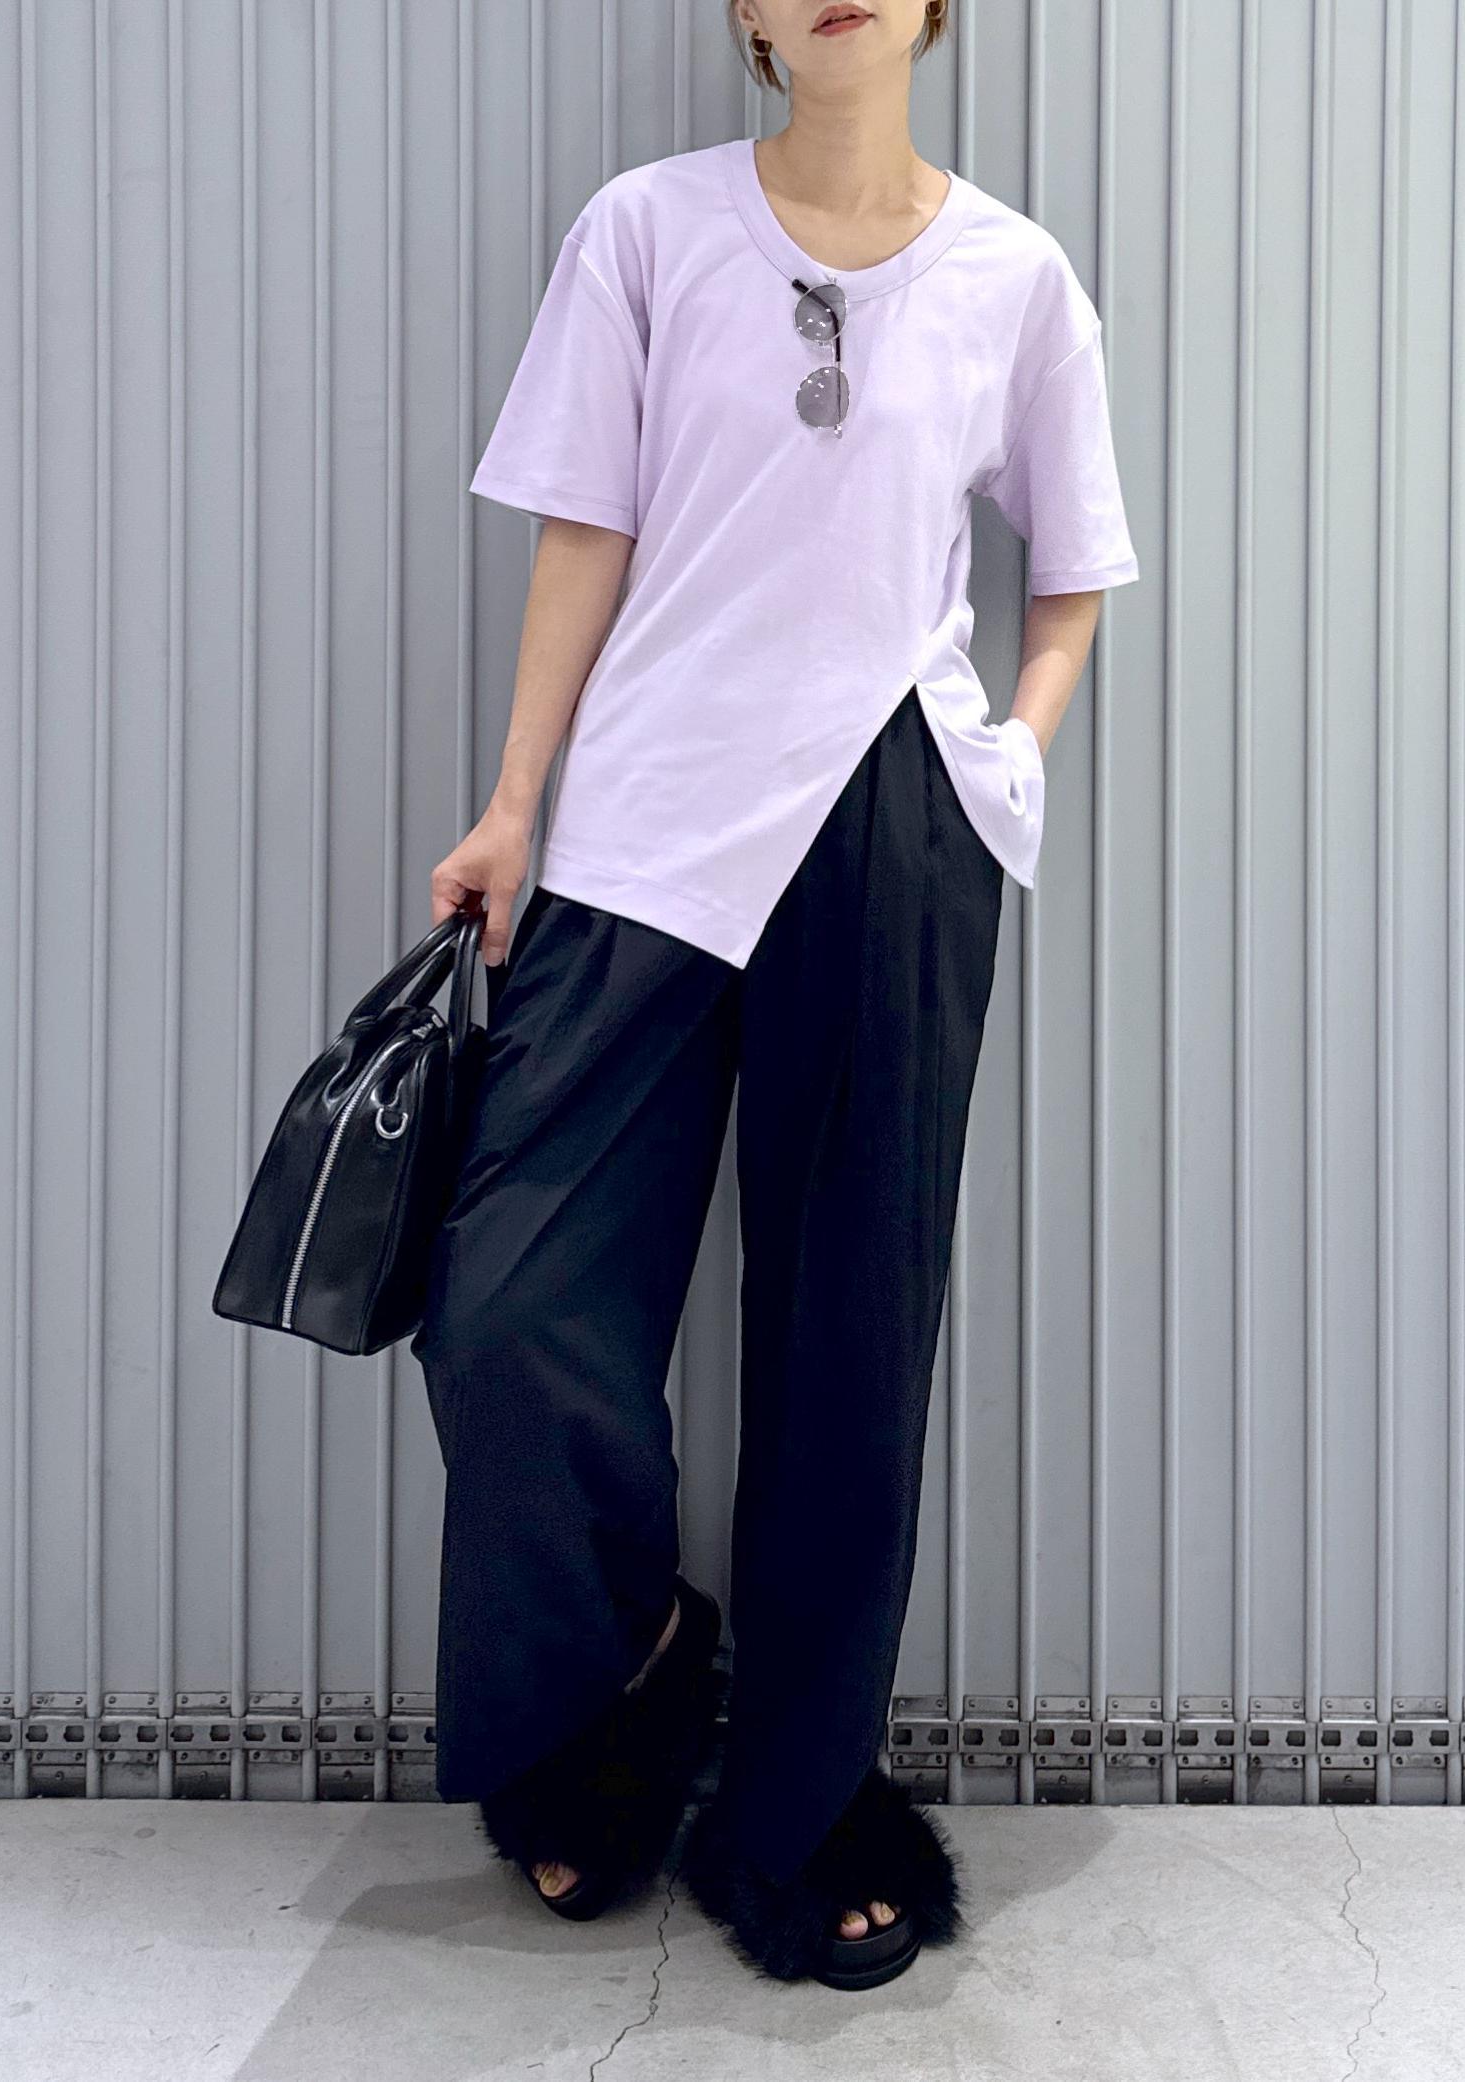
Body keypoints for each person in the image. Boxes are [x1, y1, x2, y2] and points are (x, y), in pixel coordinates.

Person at [409, 0, 1139, 1993]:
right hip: (643, 836)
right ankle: (628, 1672)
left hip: (891, 830)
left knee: (847, 1352)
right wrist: (513, 803)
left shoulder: (1015, 276)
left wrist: (1010, 763)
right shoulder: (647, 231)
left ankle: (802, 1805)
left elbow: (1073, 565)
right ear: (743, 12)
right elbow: (587, 528)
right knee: (509, 1313)